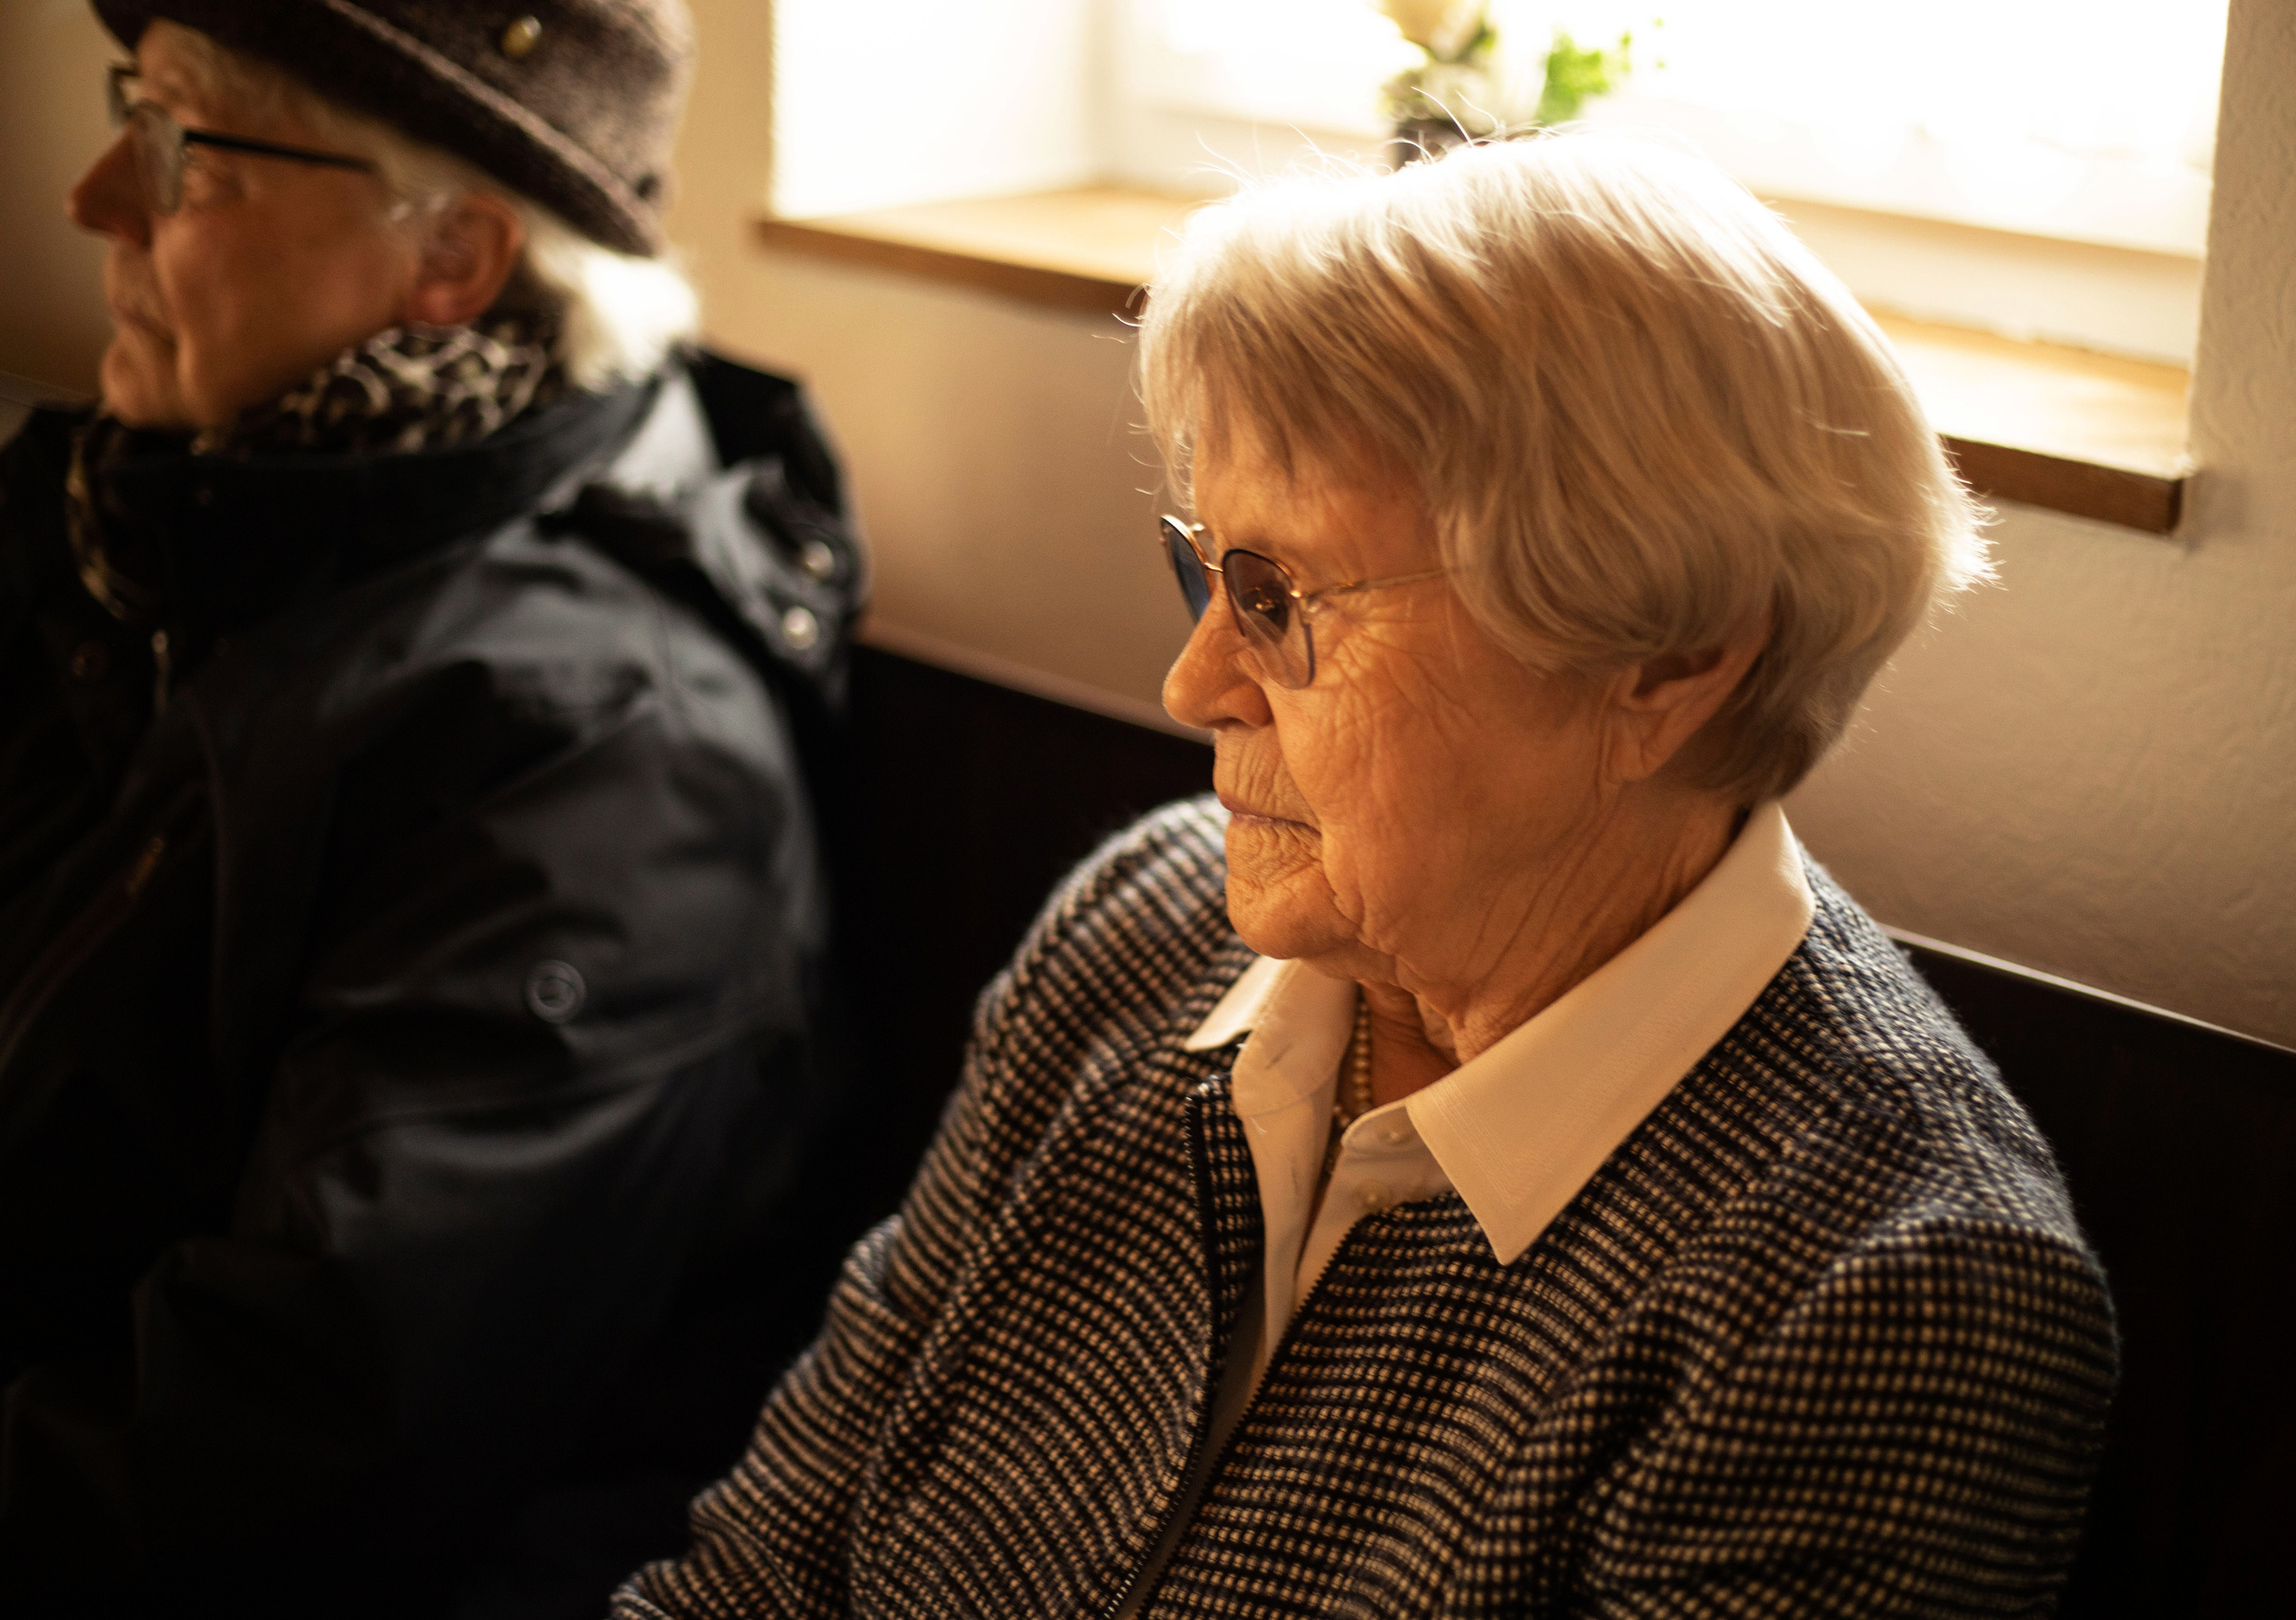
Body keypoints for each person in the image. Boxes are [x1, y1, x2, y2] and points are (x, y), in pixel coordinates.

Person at [618, 132, 2117, 1619]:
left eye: (1277, 596)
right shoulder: (1140, 932)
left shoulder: (1885, 1295)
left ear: (1663, 663)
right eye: (1207, 569)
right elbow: (757, 1573)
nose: (1192, 680)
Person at [0, 2, 865, 1612]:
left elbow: (263, 1459)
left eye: (187, 145)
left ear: (452, 259)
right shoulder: (150, 529)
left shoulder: (604, 759)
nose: (95, 191)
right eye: (135, 103)